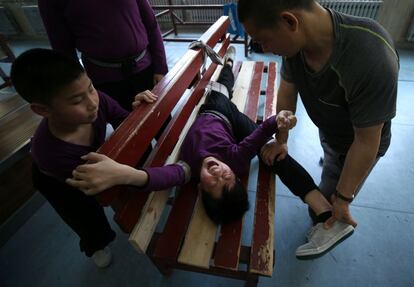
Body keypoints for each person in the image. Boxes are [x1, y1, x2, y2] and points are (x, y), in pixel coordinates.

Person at [66, 46, 355, 258]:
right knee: (253, 132)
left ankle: (324, 214)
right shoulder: (236, 160)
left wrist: (121, 173)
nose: (218, 173)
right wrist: (276, 121)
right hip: (227, 117)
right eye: (228, 179)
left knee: (257, 135)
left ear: (201, 188)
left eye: (214, 183)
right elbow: (255, 136)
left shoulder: (188, 170)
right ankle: (228, 63)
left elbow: (156, 177)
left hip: (213, 112)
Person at [237, 0, 399, 254]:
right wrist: (281, 139)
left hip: (357, 145)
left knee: (329, 198)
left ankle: (330, 224)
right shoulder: (297, 44)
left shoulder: (370, 56)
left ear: (290, 21)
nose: (263, 48)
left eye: (263, 40)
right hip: (331, 131)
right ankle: (330, 192)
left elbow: (367, 141)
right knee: (329, 175)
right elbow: (288, 91)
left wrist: (344, 199)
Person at [10, 48, 157, 268]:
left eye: (91, 88)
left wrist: (136, 112)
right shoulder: (51, 153)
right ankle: (96, 246)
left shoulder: (96, 102)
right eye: (77, 100)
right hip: (60, 181)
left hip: (91, 159)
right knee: (86, 219)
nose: (92, 102)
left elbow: (123, 121)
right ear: (42, 109)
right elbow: (97, 183)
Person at [38, 0, 168, 112]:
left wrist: (160, 67)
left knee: (162, 118)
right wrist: (81, 87)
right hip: (104, 79)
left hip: (146, 68)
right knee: (127, 127)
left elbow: (151, 24)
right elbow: (62, 47)